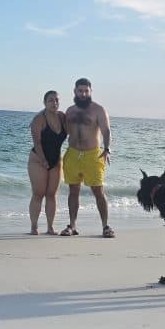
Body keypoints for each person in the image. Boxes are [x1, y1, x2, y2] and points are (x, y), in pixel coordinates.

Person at [60, 77, 114, 237]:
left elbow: (106, 130)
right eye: (80, 91)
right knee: (73, 190)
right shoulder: (69, 111)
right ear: (75, 91)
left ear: (90, 92)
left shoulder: (98, 109)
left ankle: (106, 226)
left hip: (93, 155)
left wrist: (107, 148)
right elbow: (62, 132)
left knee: (98, 190)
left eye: (86, 91)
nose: (83, 94)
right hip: (73, 154)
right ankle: (72, 226)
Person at [27, 90, 67, 235]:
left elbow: (74, 132)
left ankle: (50, 227)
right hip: (38, 160)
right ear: (44, 102)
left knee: (52, 194)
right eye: (51, 100)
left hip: (56, 160)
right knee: (38, 194)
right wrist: (44, 160)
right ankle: (34, 226)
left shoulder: (62, 117)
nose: (54, 103)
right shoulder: (39, 119)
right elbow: (37, 143)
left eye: (56, 100)